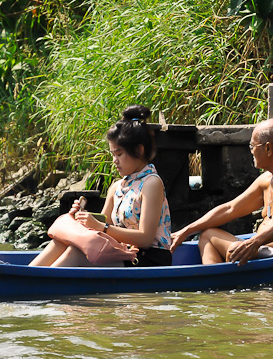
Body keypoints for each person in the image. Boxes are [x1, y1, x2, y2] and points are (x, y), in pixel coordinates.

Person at [31, 105, 173, 267]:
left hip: (148, 258)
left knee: (77, 252)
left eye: (119, 154)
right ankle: (29, 278)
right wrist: (83, 217)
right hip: (122, 250)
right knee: (63, 241)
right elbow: (103, 225)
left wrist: (101, 226)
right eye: (113, 155)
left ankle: (41, 284)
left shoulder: (151, 183)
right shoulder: (117, 186)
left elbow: (146, 239)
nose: (115, 160)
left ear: (139, 151)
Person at [170, 118, 273, 265]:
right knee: (207, 235)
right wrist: (186, 231)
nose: (251, 151)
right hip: (260, 249)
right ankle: (217, 284)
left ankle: (220, 281)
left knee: (234, 250)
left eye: (252, 145)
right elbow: (230, 208)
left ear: (268, 148)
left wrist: (254, 242)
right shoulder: (266, 179)